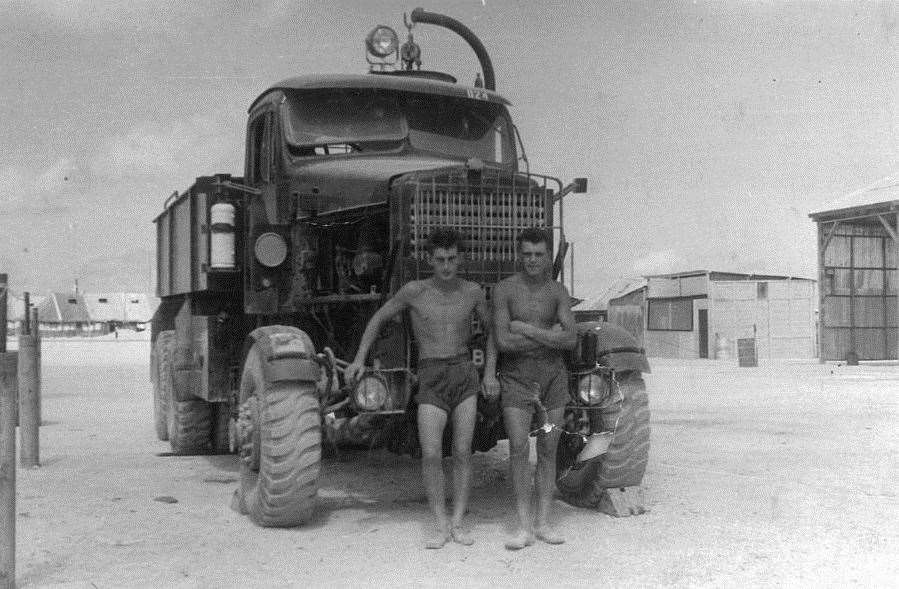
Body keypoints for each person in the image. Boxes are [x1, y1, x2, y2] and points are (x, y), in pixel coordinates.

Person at [346, 227, 499, 549]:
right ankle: (440, 524)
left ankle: (458, 522)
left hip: (463, 374)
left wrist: (489, 372)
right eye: (441, 259)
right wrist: (360, 358)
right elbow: (378, 320)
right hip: (430, 375)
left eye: (452, 259)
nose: (446, 266)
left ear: (461, 259)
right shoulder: (414, 291)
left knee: (461, 452)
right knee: (431, 455)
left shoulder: (472, 292)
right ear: (430, 260)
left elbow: (492, 333)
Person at [492, 227, 577, 550]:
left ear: (547, 254)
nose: (532, 260)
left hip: (554, 382)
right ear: (519, 254)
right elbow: (502, 341)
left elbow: (570, 339)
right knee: (517, 448)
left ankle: (543, 523)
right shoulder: (505, 290)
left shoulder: (558, 292)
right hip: (516, 381)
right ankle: (524, 526)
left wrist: (524, 329)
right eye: (527, 254)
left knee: (548, 449)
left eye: (539, 254)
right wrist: (548, 335)